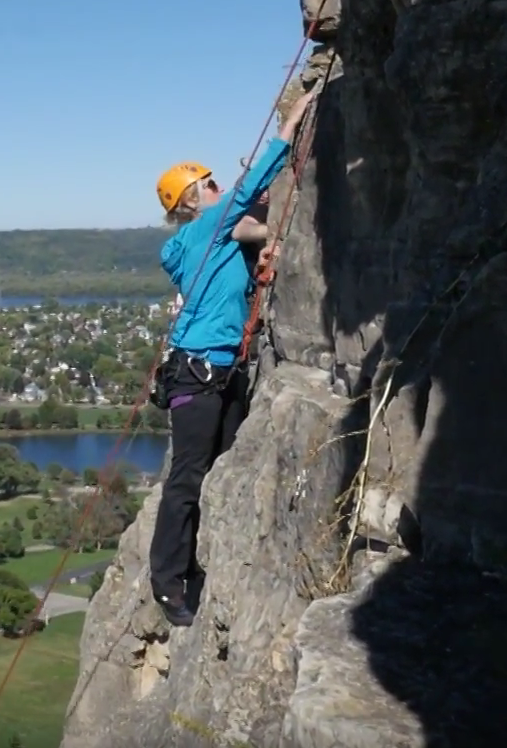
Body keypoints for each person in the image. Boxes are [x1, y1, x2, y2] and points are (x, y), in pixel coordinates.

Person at [147, 86, 319, 627]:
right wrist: (290, 123)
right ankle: (168, 581)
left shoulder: (206, 239)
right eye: (210, 185)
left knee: (219, 470)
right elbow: (249, 191)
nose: (220, 188)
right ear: (192, 202)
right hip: (199, 373)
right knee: (188, 477)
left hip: (222, 371)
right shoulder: (206, 229)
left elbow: (253, 227)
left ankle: (199, 564)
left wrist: (263, 243)